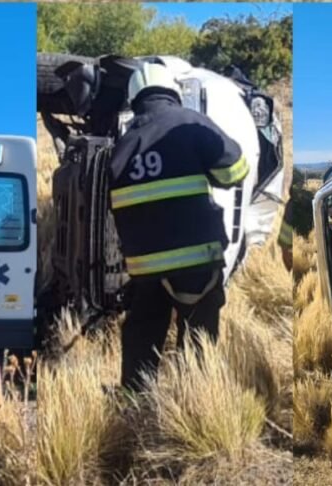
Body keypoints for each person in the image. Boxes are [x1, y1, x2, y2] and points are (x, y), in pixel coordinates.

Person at [108, 62, 248, 392]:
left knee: (142, 335)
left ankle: (134, 409)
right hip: (195, 260)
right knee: (199, 336)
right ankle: (197, 405)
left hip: (145, 269)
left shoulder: (123, 146)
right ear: (172, 92)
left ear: (135, 99)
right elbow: (235, 171)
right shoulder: (189, 122)